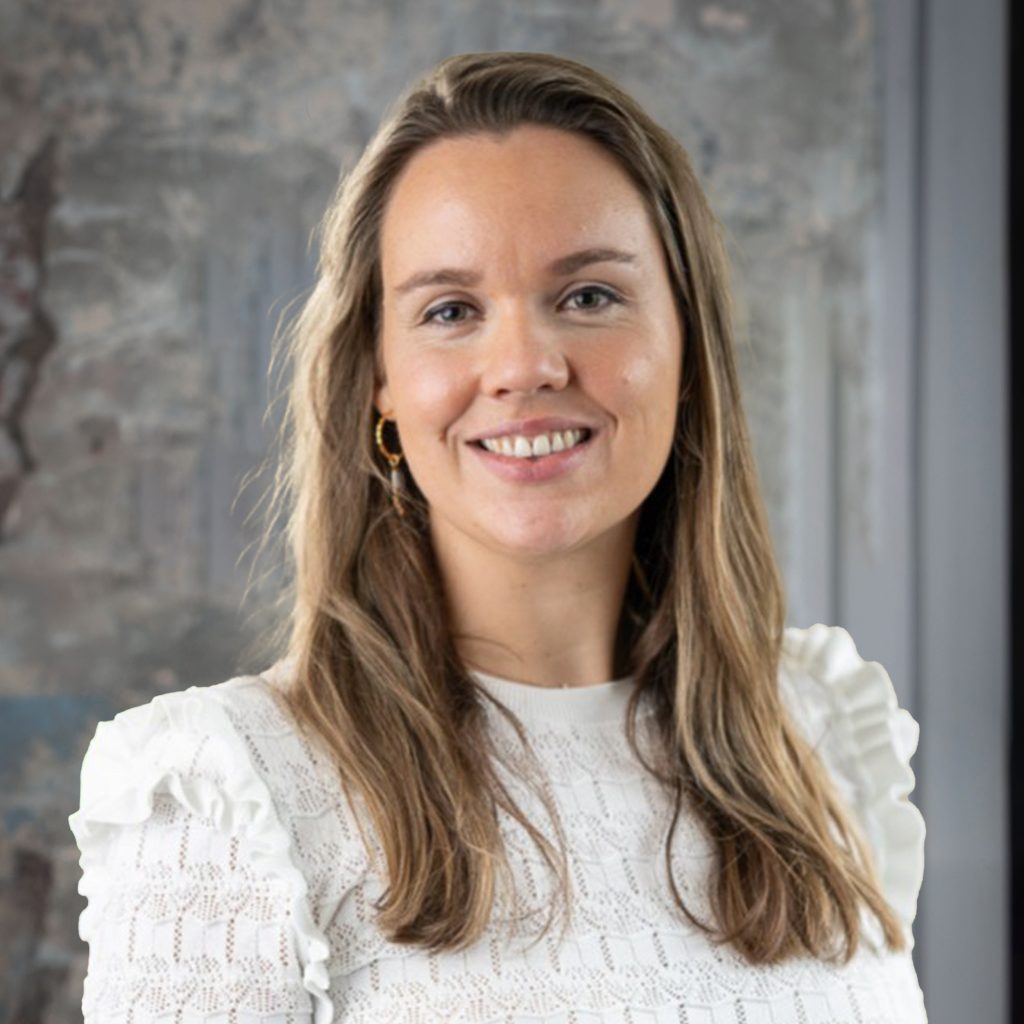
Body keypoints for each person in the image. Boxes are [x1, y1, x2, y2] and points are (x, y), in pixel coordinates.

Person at [68, 51, 928, 1023]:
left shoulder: (817, 736)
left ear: (687, 348)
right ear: (380, 381)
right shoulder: (231, 794)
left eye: (588, 296)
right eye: (450, 311)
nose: (522, 365)